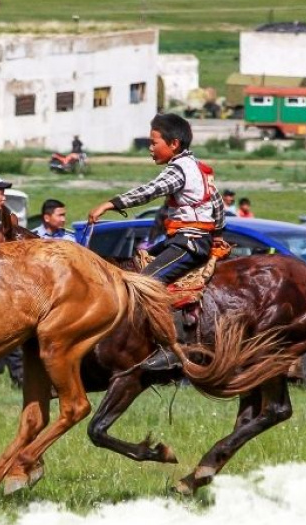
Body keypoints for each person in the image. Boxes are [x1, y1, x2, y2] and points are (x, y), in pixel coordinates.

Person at [87, 113, 225, 369]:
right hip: (190, 239)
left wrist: (110, 204)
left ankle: (170, 346)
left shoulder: (179, 170)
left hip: (189, 242)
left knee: (145, 285)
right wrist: (217, 234)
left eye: (154, 142)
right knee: (137, 264)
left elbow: (150, 191)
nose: (150, 148)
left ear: (173, 144)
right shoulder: (198, 167)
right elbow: (217, 204)